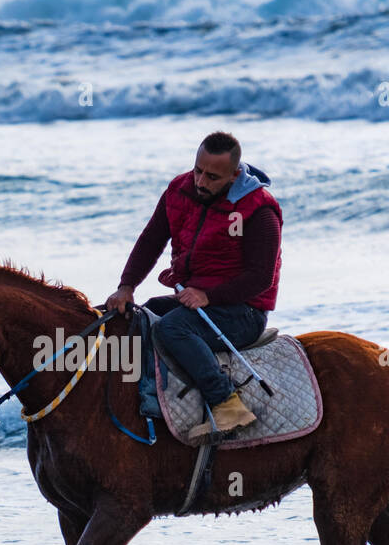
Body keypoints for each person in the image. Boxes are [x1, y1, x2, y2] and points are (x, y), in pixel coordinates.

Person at [105, 131, 282, 439]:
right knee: (145, 315)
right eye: (198, 170)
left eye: (213, 177)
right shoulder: (179, 190)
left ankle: (227, 405)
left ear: (235, 175)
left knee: (172, 328)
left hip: (244, 311)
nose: (201, 182)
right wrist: (126, 286)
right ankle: (151, 399)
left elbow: (260, 278)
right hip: (197, 301)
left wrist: (208, 296)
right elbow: (151, 240)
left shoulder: (259, 210)